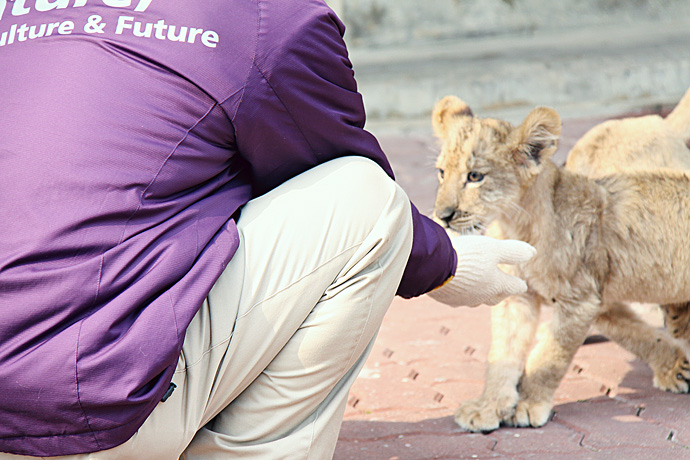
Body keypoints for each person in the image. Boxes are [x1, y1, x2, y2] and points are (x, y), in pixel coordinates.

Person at [0, 1, 535, 458]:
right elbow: (329, 164)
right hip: (82, 415)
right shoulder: (266, 18)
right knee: (367, 201)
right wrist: (449, 263)